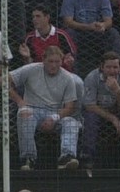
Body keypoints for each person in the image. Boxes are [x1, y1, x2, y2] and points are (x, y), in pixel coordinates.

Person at [9, 43, 83, 171]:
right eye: (50, 61)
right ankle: (28, 158)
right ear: (43, 60)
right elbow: (3, 80)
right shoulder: (31, 69)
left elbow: (70, 106)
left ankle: (67, 157)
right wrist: (20, 101)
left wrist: (55, 117)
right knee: (24, 115)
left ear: (62, 61)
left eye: (57, 62)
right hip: (32, 108)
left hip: (55, 112)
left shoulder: (68, 78)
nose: (54, 65)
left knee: (71, 122)